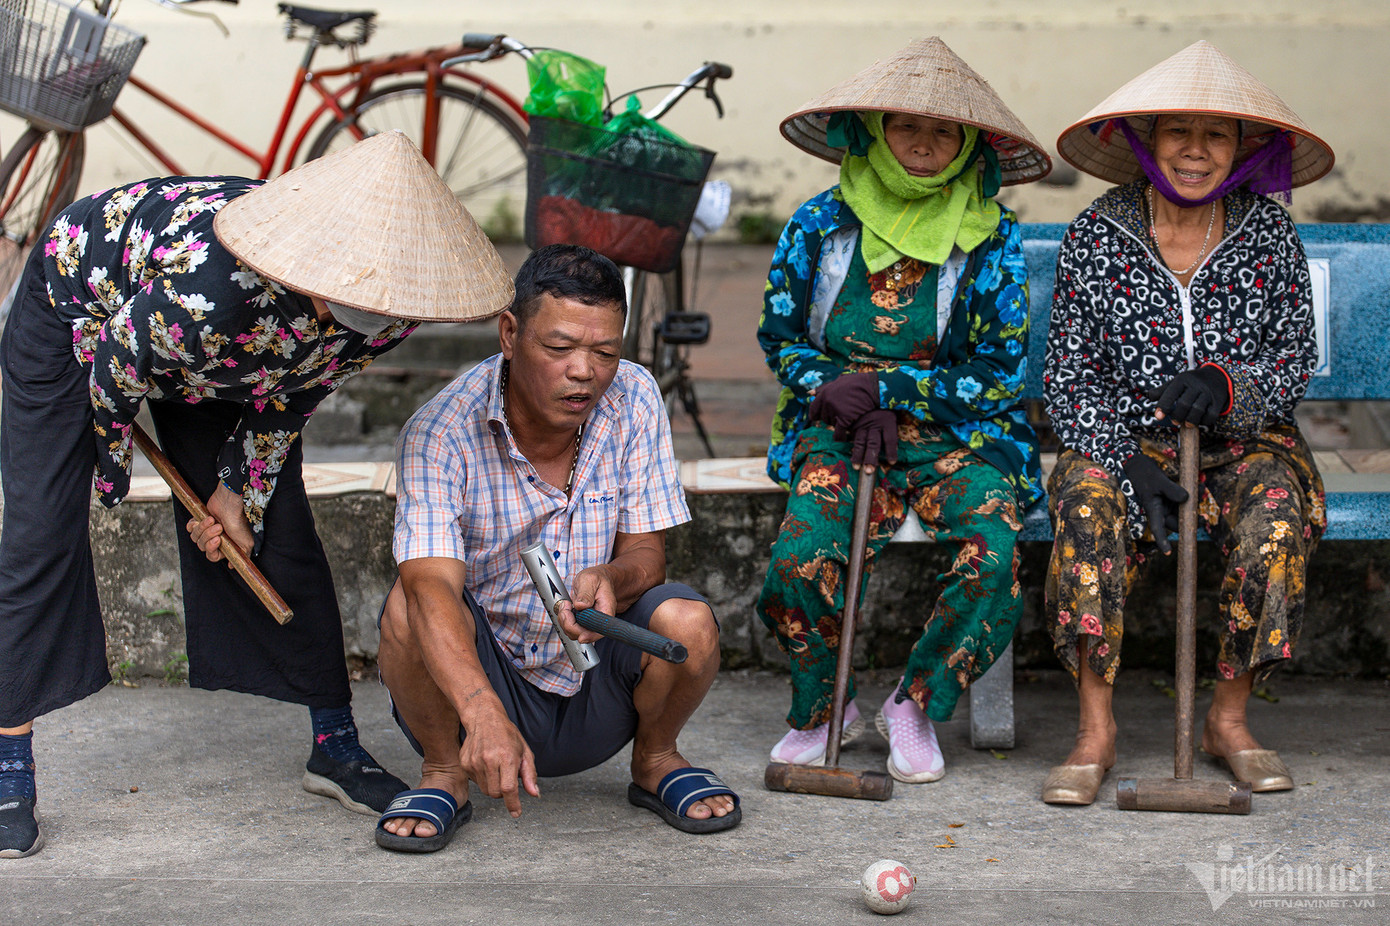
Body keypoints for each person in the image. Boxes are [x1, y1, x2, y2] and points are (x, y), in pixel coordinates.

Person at [0, 131, 516, 858]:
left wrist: (237, 496)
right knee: (40, 531)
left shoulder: (390, 308)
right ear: (313, 270)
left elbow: (296, 390)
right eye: (349, 300)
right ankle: (8, 763)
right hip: (85, 316)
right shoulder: (211, 293)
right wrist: (108, 472)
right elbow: (116, 364)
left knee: (279, 531)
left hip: (224, 351)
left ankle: (334, 746)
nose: (366, 318)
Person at [1041, 41, 1335, 805]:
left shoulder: (1268, 235)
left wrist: (1228, 385)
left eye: (1217, 134)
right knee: (1085, 506)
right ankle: (1095, 728)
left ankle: (1228, 720)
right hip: (1127, 442)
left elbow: (1294, 355)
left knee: (1276, 515)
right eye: (1178, 130)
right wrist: (1124, 459)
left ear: (1242, 149)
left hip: (1245, 442)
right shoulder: (1098, 235)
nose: (1196, 151)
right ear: (1146, 140)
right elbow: (1068, 376)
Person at [374, 244, 738, 852]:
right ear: (510, 333)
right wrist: (482, 710)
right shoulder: (440, 432)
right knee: (410, 609)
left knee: (689, 621)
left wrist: (614, 582)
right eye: (561, 347)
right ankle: (443, 773)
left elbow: (648, 557)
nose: (584, 372)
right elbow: (430, 585)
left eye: (604, 352)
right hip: (486, 689)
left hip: (598, 688)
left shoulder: (635, 396)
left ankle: (655, 760)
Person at [756, 38, 1051, 785]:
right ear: (873, 134)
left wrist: (889, 393)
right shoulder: (819, 223)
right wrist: (840, 393)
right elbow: (780, 338)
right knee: (796, 562)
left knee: (993, 552)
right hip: (839, 428)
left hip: (962, 434)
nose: (923, 144)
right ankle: (825, 707)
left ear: (968, 147)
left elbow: (999, 372)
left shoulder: (993, 235)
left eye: (944, 132)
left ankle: (914, 703)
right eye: (904, 127)